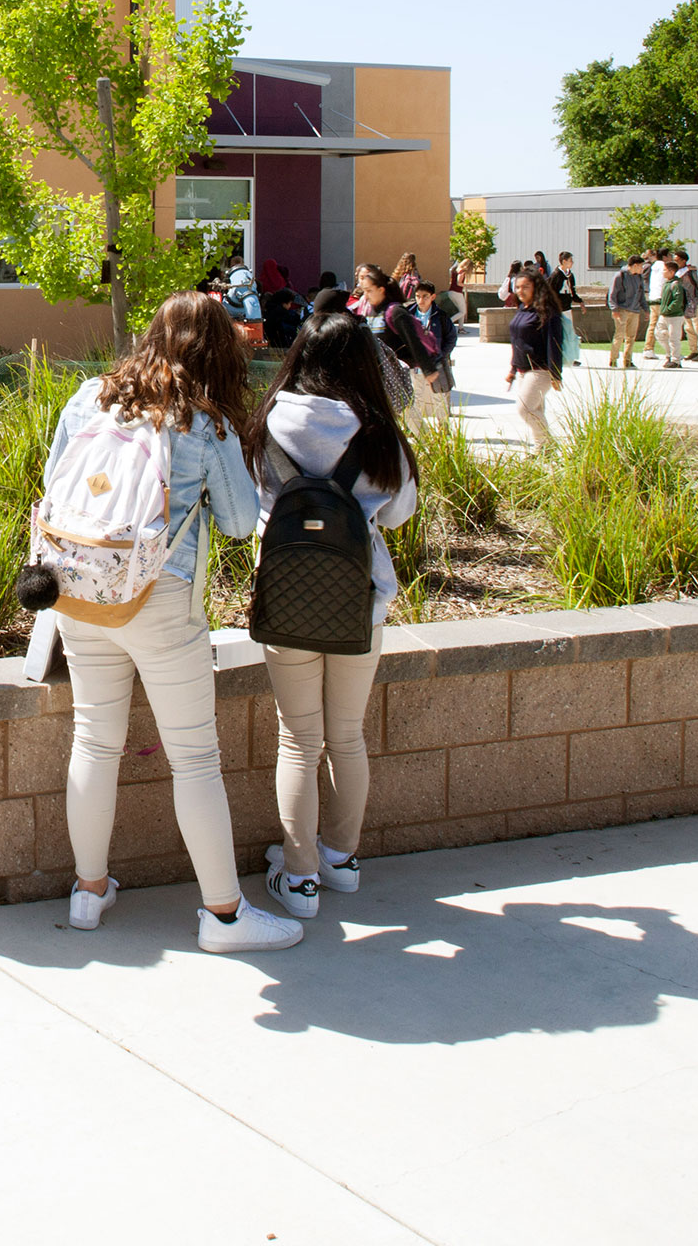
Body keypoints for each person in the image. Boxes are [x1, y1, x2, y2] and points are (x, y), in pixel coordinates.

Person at [48, 292, 302, 953]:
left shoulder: (88, 397)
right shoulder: (203, 422)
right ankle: (223, 916)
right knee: (194, 760)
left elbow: (52, 484)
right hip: (160, 596)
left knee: (94, 740)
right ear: (219, 351)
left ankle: (88, 890)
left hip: (80, 588)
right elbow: (243, 525)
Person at [245, 313, 420, 919]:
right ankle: (339, 859)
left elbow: (246, 508)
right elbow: (397, 515)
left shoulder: (268, 421)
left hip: (286, 594)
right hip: (360, 599)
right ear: (363, 366)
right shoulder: (378, 432)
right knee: (345, 734)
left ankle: (298, 880)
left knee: (298, 737)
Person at [505, 268, 562, 448]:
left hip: (540, 370)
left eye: (526, 287)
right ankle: (542, 449)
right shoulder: (522, 309)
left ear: (536, 287)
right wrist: (513, 370)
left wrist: (556, 374)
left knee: (525, 409)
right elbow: (517, 342)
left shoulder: (547, 312)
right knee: (536, 410)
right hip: (522, 370)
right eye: (518, 287)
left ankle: (548, 444)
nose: (520, 291)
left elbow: (554, 344)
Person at [396, 281, 459, 426]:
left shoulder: (441, 316)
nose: (421, 300)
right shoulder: (407, 315)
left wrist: (441, 355)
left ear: (433, 297)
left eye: (425, 296)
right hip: (416, 364)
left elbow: (451, 337)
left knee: (440, 396)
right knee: (415, 396)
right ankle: (416, 428)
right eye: (418, 296)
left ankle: (443, 428)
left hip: (436, 364)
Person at [608, 256, 649, 370]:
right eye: (641, 266)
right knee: (619, 335)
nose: (642, 269)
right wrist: (614, 309)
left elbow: (641, 295)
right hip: (621, 310)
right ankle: (613, 359)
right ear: (635, 265)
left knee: (631, 337)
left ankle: (628, 360)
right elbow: (612, 294)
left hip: (634, 310)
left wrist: (646, 309)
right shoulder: (620, 275)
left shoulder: (639, 277)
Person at [656, 255, 697, 369]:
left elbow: (677, 300)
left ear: (671, 271)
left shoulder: (676, 284)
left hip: (674, 316)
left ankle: (676, 360)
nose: (663, 272)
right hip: (664, 315)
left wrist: (668, 309)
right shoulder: (666, 284)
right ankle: (669, 354)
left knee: (674, 338)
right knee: (660, 334)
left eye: (665, 270)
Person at [675, 249, 698, 361]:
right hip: (686, 304)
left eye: (677, 260)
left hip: (696, 303)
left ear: (683, 260)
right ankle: (693, 350)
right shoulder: (676, 273)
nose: (675, 262)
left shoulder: (692, 272)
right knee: (689, 329)